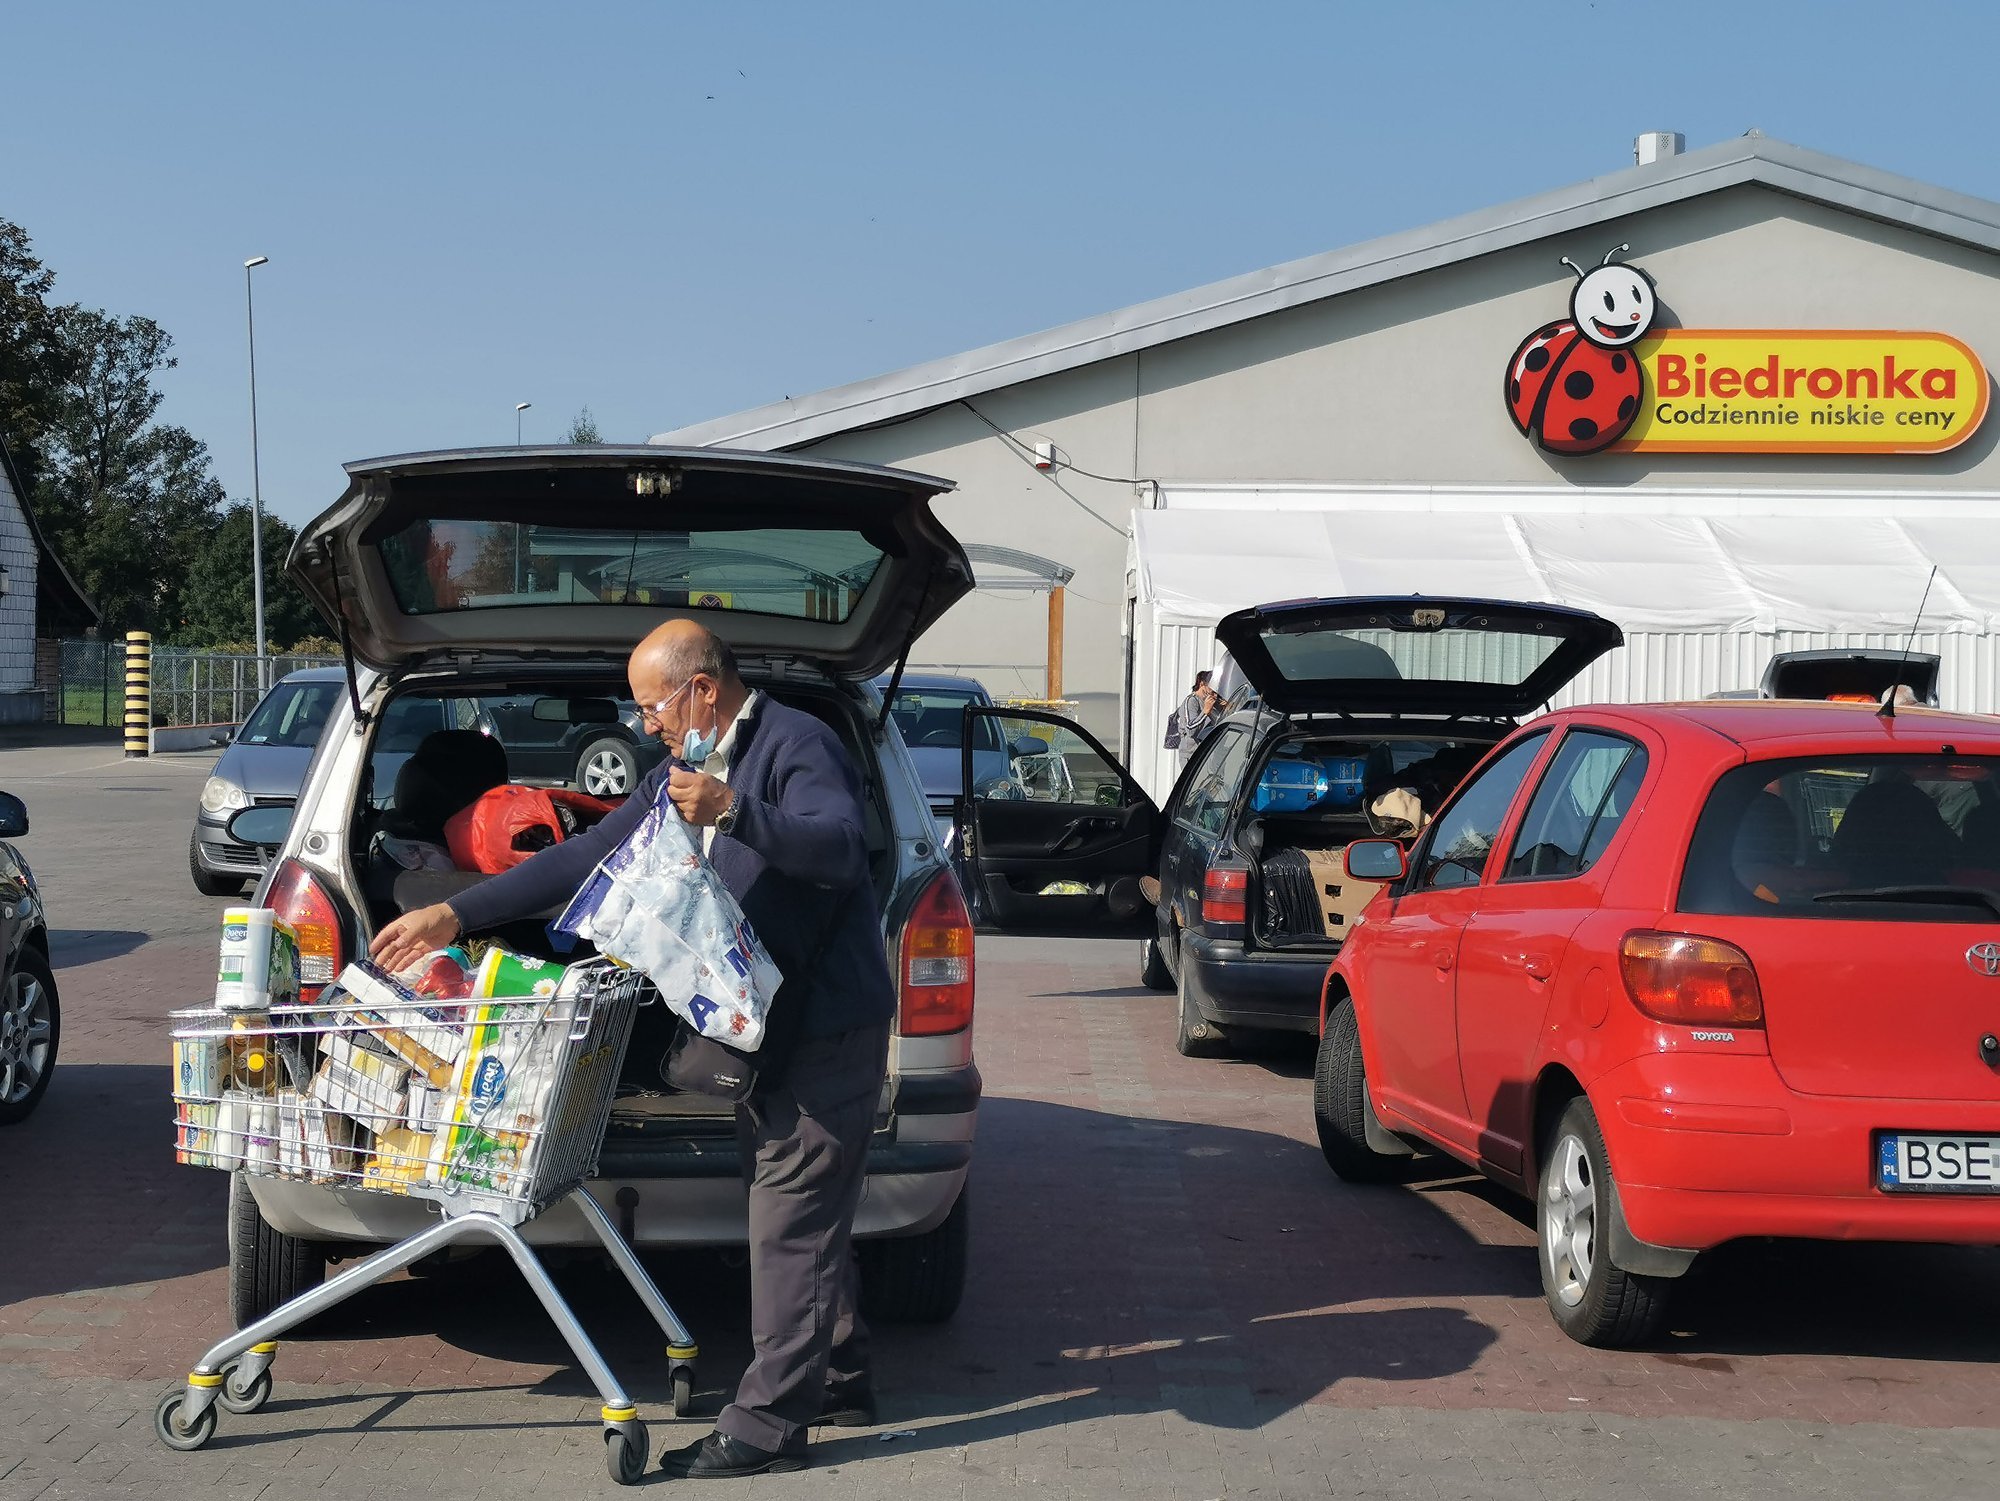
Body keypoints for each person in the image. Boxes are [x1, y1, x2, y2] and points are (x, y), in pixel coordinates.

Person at [372, 621, 892, 1479]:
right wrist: (455, 912)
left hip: (826, 1026)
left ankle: (768, 1424)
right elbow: (589, 852)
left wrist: (734, 810)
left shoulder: (799, 743)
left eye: (654, 706)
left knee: (790, 1218)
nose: (645, 724)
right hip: (761, 1025)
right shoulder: (682, 766)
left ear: (703, 690)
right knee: (798, 1206)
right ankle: (837, 1373)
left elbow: (840, 846)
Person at [1174, 670, 1227, 769]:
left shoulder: (1214, 700)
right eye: (1212, 689)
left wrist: (1226, 708)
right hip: (1193, 756)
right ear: (1202, 684)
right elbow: (1190, 730)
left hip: (1211, 754)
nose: (1215, 695)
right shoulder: (1191, 701)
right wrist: (1205, 711)